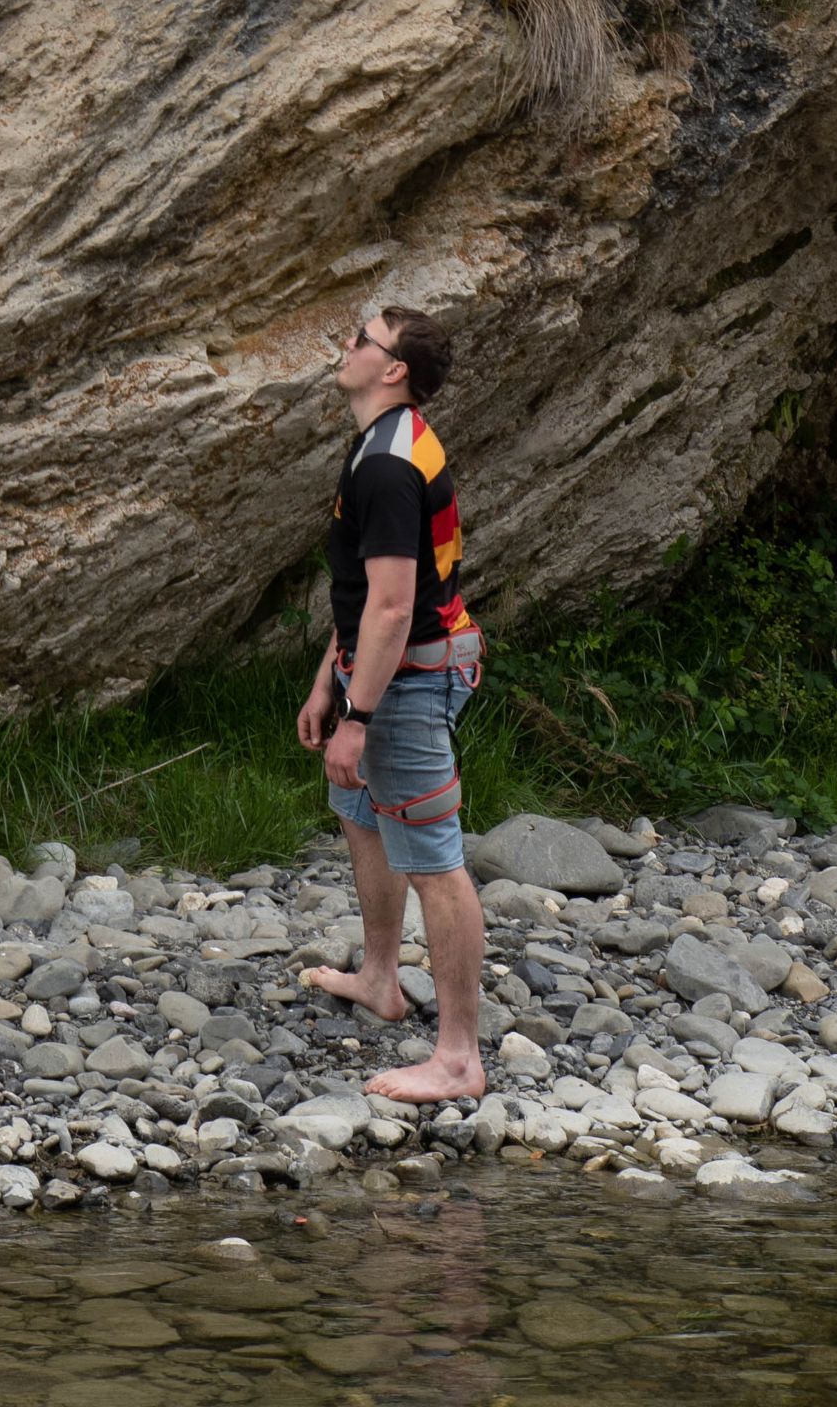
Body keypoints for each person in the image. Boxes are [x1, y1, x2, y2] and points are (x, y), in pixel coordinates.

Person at [297, 306, 488, 1104]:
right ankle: (380, 977)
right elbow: (363, 600)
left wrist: (360, 715)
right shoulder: (385, 441)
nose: (346, 346)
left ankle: (457, 1059)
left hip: (407, 677)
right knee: (360, 809)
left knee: (434, 860)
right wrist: (326, 681)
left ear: (393, 369)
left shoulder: (386, 466)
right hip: (380, 666)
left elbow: (392, 606)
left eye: (361, 340)